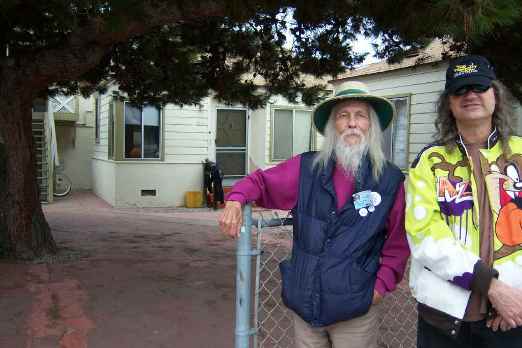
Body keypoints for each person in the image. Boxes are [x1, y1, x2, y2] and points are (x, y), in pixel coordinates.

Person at [219, 81, 410, 348]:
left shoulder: (389, 180)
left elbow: (398, 244)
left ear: (371, 126)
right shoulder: (306, 168)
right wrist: (235, 200)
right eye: (343, 116)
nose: (352, 123)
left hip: (356, 307)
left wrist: (378, 289)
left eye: (360, 116)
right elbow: (260, 182)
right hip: (305, 304)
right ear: (333, 127)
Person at [406, 55, 522, 347]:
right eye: (460, 89)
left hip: (511, 315)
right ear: (449, 103)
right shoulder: (430, 161)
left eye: (479, 86)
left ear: (495, 95)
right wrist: (491, 287)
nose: (470, 94)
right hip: (443, 320)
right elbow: (425, 235)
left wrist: (513, 296)